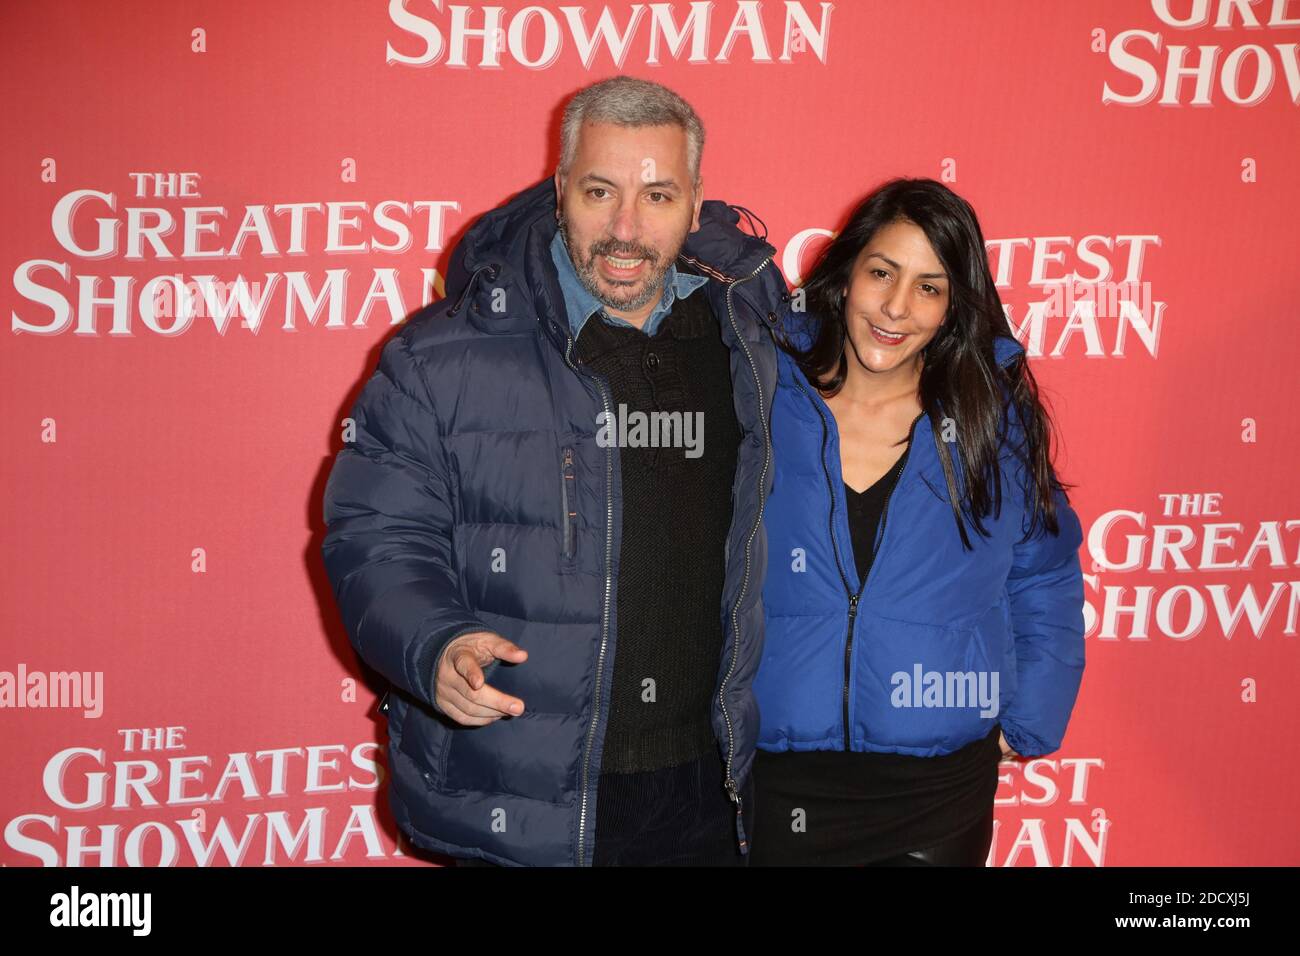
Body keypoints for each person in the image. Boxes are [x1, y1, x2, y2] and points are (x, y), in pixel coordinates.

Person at [319, 76, 786, 866]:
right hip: (525, 796)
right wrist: (434, 645)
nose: (627, 230)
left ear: (698, 199)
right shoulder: (441, 356)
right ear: (562, 187)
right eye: (601, 192)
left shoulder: (747, 334)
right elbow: (377, 534)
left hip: (708, 795)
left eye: (659, 196)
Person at [748, 178, 1086, 866]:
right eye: (882, 273)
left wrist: (1030, 718)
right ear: (844, 277)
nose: (897, 307)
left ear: (953, 309)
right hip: (779, 781)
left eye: (930, 288)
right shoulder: (762, 392)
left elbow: (1044, 575)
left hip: (935, 795)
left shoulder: (993, 416)